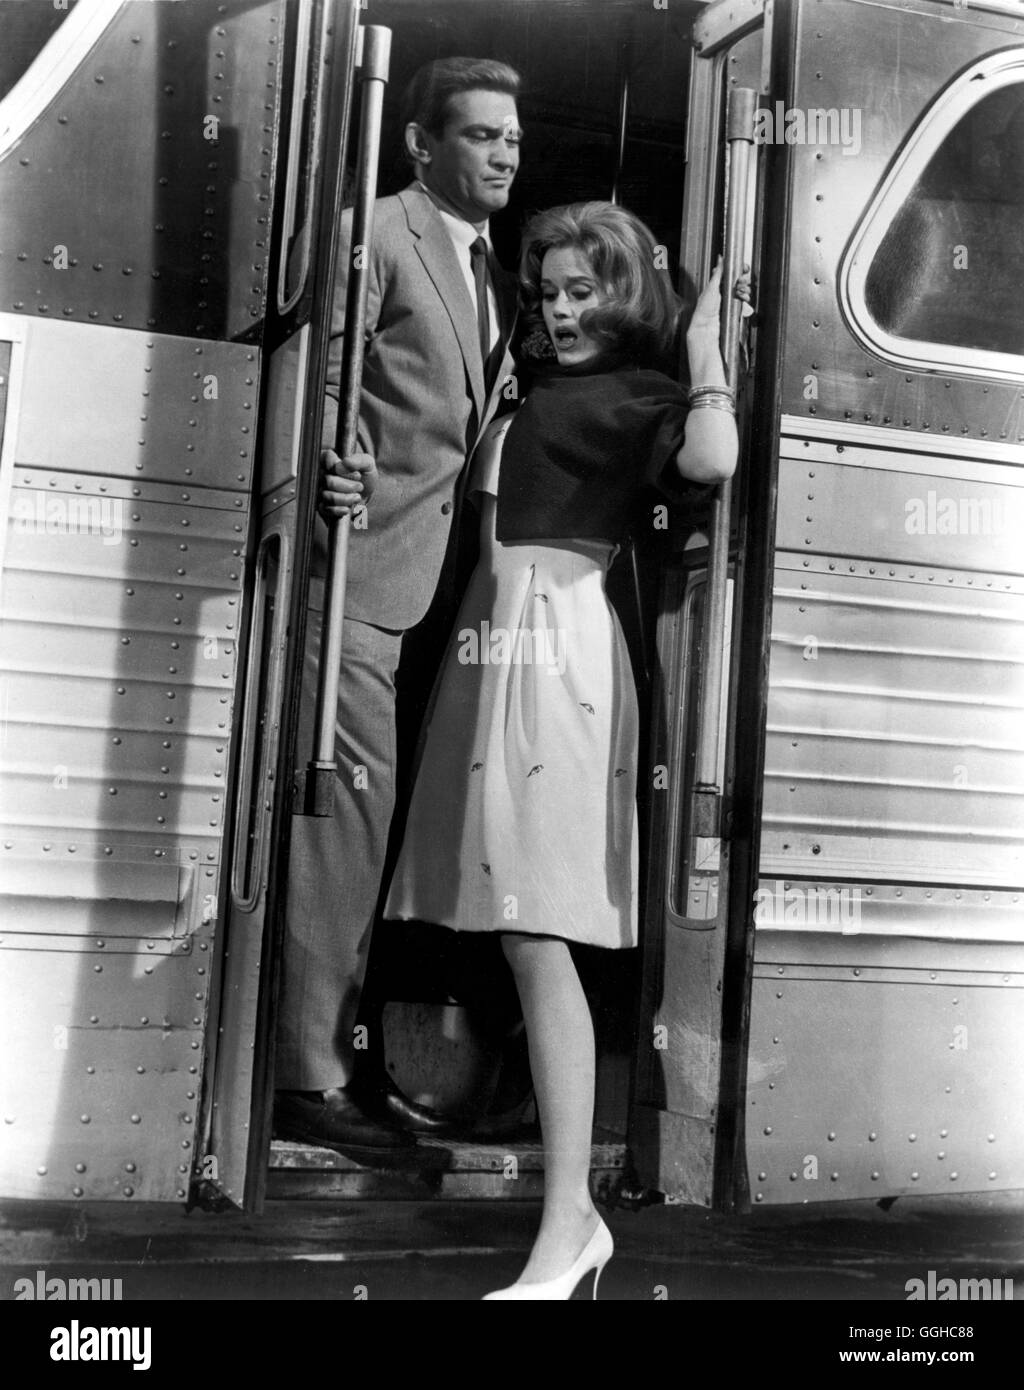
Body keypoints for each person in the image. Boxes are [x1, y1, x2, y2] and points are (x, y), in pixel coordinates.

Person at [385, 202, 746, 1295]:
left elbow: (714, 455)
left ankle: (570, 1221)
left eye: (583, 290)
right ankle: (567, 1217)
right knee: (514, 933)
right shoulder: (531, 390)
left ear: (624, 291)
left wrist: (702, 354)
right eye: (547, 294)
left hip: (558, 664)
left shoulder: (636, 396)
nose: (562, 310)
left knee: (537, 934)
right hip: (497, 663)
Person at [274, 57, 523, 1156]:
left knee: (393, 826)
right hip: (362, 572)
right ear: (420, 144)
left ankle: (350, 1049)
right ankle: (308, 1075)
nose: (503, 154)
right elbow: (322, 372)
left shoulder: (498, 272)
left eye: (511, 138)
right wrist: (328, 461)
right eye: (479, 136)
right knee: (347, 821)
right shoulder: (373, 233)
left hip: (446, 590)